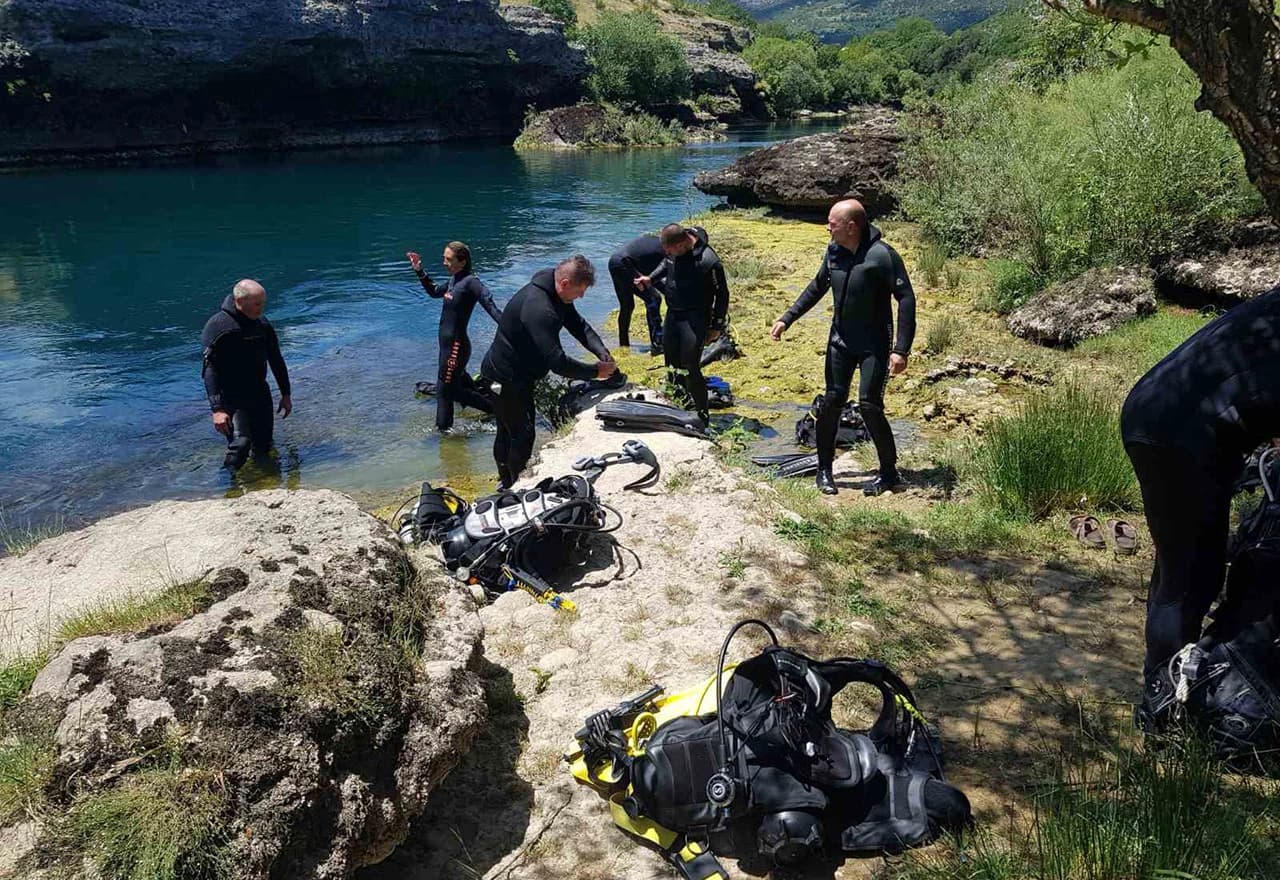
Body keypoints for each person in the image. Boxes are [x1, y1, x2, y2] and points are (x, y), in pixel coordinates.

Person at [1120, 287, 1280, 708]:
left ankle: (1170, 687)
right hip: (1178, 433)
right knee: (1190, 578)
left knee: (1182, 568)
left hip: (1159, 410)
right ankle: (1163, 705)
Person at [769, 199, 915, 497]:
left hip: (874, 342)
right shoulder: (834, 252)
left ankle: (889, 472)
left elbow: (906, 298)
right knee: (832, 401)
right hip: (840, 340)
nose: (827, 227)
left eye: (832, 223)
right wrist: (788, 318)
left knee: (869, 405)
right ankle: (825, 470)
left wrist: (901, 349)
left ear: (851, 227)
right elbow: (817, 286)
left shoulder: (881, 256)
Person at [480, 255, 616, 487]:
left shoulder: (556, 293)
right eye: (580, 291)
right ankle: (515, 486)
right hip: (504, 377)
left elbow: (578, 325)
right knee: (520, 434)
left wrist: (601, 352)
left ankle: (507, 482)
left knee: (510, 430)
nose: (581, 296)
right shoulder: (540, 309)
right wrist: (596, 372)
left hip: (518, 375)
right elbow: (557, 362)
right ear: (564, 283)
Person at [636, 224, 729, 421]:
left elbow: (723, 294)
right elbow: (666, 263)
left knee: (690, 366)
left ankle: (702, 417)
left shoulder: (708, 261)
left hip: (695, 317)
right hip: (673, 313)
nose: (668, 253)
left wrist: (717, 326)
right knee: (671, 362)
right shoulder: (673, 252)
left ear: (681, 245)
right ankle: (678, 407)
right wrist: (650, 279)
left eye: (670, 250)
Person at [407, 241, 503, 432]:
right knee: (454, 385)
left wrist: (510, 326)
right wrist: (419, 270)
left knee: (445, 391)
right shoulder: (455, 280)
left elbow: (489, 304)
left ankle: (444, 433)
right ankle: (495, 409)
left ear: (462, 261)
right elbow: (434, 292)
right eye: (444, 258)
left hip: (456, 347)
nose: (444, 262)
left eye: (448, 259)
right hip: (447, 347)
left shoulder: (471, 282)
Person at [200, 279, 292, 470]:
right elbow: (210, 369)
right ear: (239, 301)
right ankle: (228, 488)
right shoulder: (219, 326)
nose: (261, 308)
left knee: (264, 446)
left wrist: (286, 394)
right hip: (231, 396)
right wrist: (217, 409)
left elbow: (276, 359)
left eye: (263, 303)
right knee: (240, 444)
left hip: (259, 392)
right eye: (257, 304)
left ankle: (266, 483)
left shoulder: (262, 324)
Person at [607, 234, 665, 352]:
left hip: (615, 262)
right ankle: (657, 343)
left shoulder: (656, 244)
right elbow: (656, 277)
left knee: (627, 306)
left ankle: (624, 345)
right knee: (654, 298)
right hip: (625, 264)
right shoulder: (664, 252)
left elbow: (651, 277)